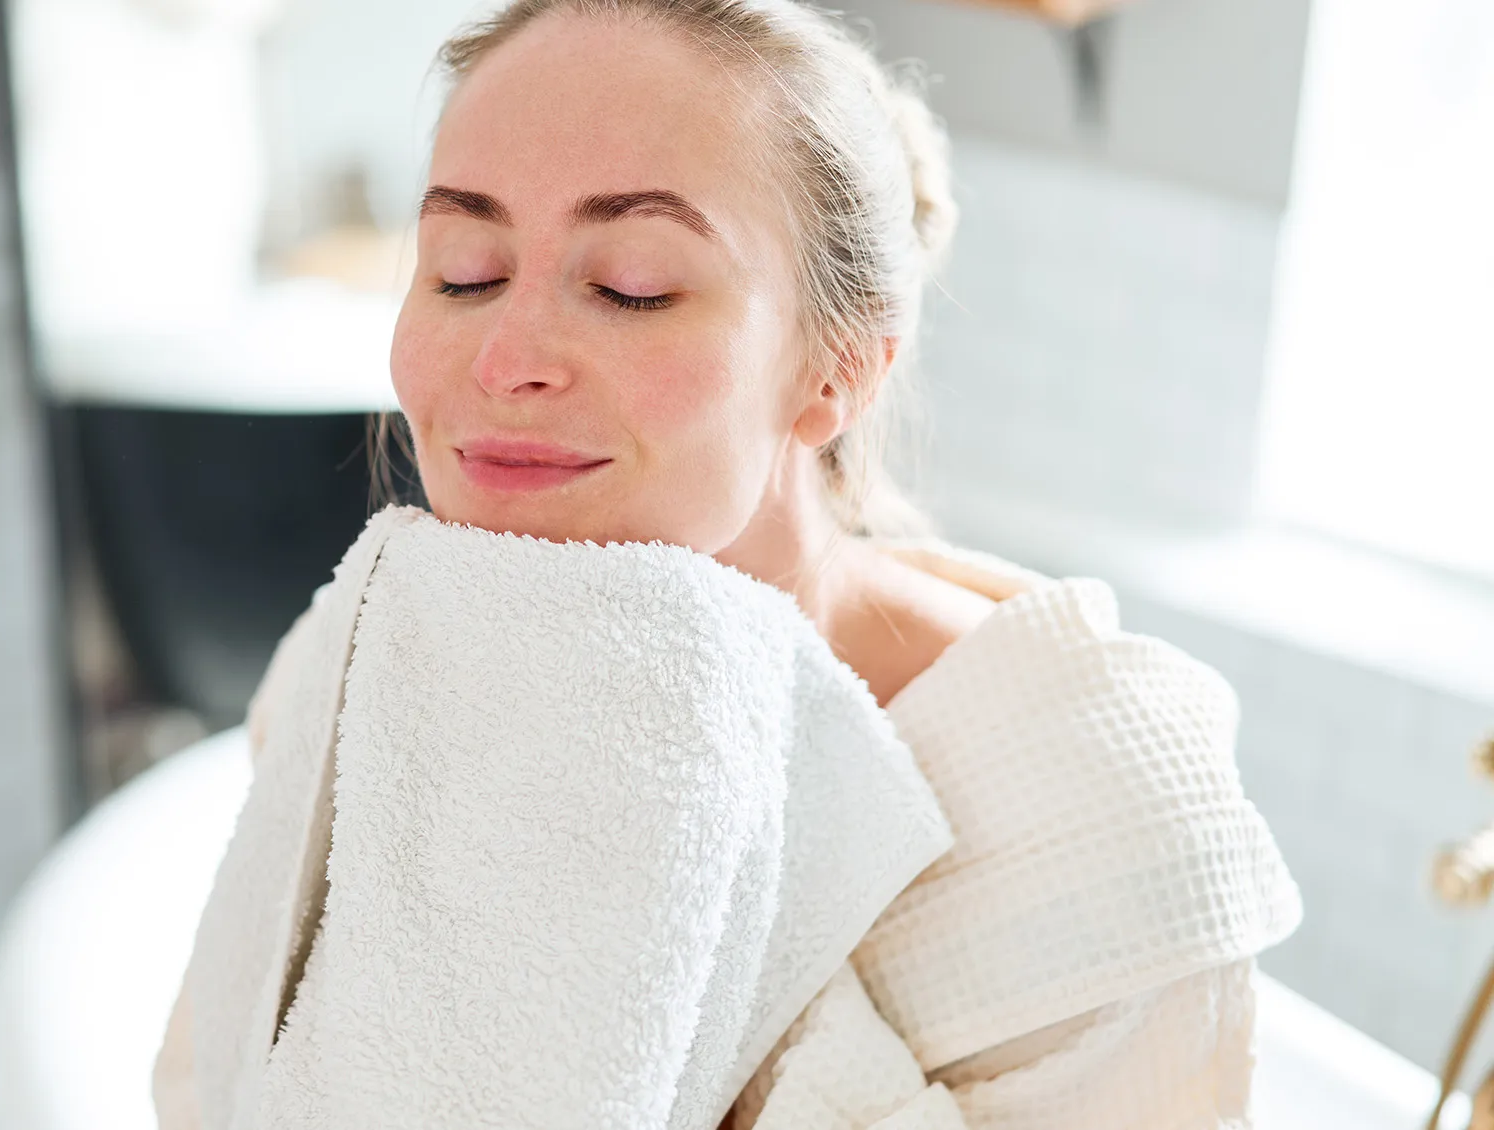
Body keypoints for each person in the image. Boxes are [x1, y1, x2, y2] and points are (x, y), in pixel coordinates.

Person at [154, 2, 1301, 1126]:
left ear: (836, 370)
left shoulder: (1088, 807)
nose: (503, 360)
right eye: (461, 269)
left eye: (631, 286)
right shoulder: (356, 663)